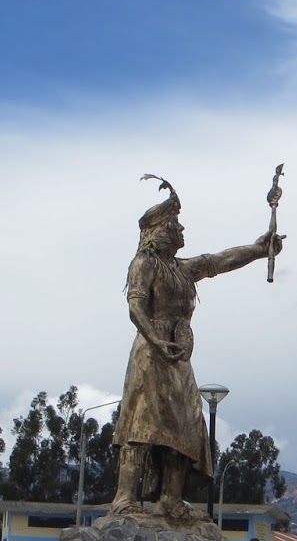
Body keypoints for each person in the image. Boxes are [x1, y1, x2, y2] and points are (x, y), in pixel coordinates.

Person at [109, 177, 282, 518]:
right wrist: (156, 340)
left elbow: (218, 261)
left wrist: (259, 249)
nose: (182, 228)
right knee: (142, 425)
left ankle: (170, 499)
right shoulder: (144, 263)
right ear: (159, 231)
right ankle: (125, 497)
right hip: (151, 352)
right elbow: (135, 306)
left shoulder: (182, 269)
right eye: (175, 223)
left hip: (179, 356)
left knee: (184, 425)